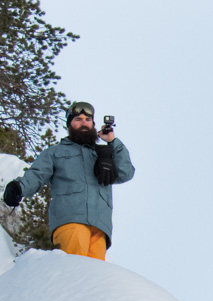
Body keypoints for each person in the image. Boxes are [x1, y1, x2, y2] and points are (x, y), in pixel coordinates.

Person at [2, 101, 135, 260]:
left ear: (93, 125)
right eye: (78, 119)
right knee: (75, 269)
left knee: (93, 278)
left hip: (100, 226)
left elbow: (126, 172)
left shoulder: (102, 154)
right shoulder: (56, 151)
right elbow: (37, 174)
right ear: (69, 125)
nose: (84, 123)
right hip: (70, 220)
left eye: (88, 119)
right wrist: (18, 187)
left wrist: (113, 142)